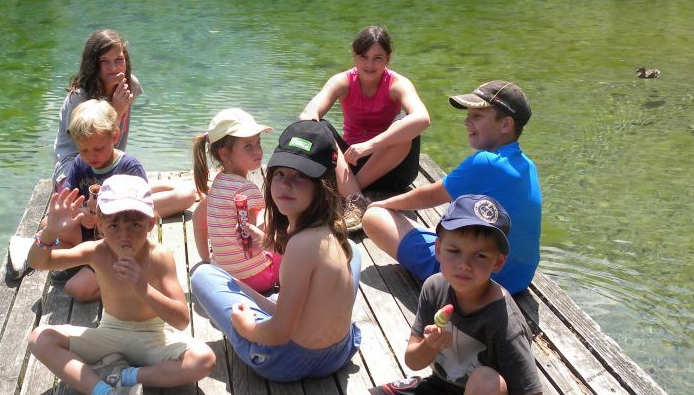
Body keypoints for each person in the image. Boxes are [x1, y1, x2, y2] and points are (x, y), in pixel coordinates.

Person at [339, 195, 543, 395]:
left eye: (480, 256)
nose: (464, 264)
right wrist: (430, 346)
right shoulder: (435, 287)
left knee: (486, 380)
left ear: (498, 262)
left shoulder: (503, 320)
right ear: (437, 249)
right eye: (454, 251)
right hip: (442, 390)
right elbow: (413, 361)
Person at [26, 175, 217, 395]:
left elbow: (182, 319)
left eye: (135, 225)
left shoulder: (159, 257)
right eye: (114, 226)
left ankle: (124, 376)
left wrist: (144, 288)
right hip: (110, 332)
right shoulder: (96, 251)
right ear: (100, 225)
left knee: (204, 359)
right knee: (39, 338)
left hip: (153, 337)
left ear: (151, 223)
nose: (124, 236)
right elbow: (39, 262)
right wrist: (49, 232)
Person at [190, 120, 362, 382]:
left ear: (323, 185)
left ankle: (275, 313)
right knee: (354, 252)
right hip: (340, 351)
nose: (285, 184)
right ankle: (282, 307)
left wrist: (248, 329)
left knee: (203, 275)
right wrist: (273, 245)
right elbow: (308, 257)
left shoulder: (301, 246)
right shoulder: (325, 232)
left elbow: (280, 333)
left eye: (299, 176)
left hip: (288, 361)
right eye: (280, 173)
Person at [362, 80, 541, 295]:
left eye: (477, 116)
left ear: (505, 125)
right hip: (518, 278)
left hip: (475, 278)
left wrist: (381, 205)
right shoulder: (527, 165)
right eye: (468, 115)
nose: (466, 122)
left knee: (373, 217)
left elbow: (427, 197)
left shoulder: (486, 162)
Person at [54, 99, 193, 301]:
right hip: (92, 240)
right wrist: (81, 212)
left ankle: (125, 284)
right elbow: (66, 203)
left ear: (115, 136)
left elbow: (142, 216)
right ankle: (85, 266)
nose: (91, 156)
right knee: (54, 224)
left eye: (98, 148)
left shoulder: (129, 167)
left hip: (118, 245)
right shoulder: (79, 164)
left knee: (76, 290)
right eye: (84, 150)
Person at [300, 25, 430, 225]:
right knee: (319, 126)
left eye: (377, 58)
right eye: (363, 57)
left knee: (405, 124)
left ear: (388, 59)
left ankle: (352, 195)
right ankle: (355, 196)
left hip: (392, 170)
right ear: (354, 55)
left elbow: (423, 118)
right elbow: (308, 114)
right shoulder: (342, 81)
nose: (369, 64)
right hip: (350, 165)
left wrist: (370, 145)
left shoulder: (398, 84)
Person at [191, 108, 281, 294]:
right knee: (286, 230)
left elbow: (197, 220)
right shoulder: (247, 190)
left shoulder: (216, 185)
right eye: (248, 146)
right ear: (224, 153)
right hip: (257, 279)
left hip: (222, 273)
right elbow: (251, 238)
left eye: (258, 142)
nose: (258, 150)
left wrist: (207, 259)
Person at [54, 29, 142, 189]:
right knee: (73, 197)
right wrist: (117, 111)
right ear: (93, 64)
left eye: (118, 59)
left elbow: (111, 144)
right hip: (75, 168)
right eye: (104, 61)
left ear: (126, 59)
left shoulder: (130, 86)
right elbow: (91, 144)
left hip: (109, 162)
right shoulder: (78, 98)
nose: (113, 67)